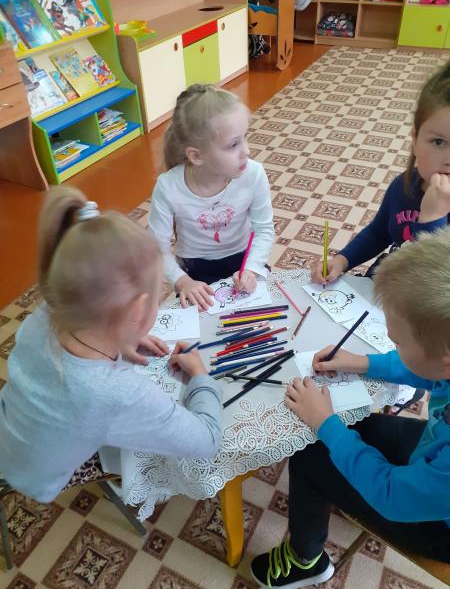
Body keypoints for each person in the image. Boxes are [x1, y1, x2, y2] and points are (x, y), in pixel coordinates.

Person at [251, 227, 450, 588]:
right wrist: (362, 362)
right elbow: (430, 369)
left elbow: (392, 496)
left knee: (312, 450)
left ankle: (305, 560)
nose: (390, 341)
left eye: (398, 341)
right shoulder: (443, 360)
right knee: (351, 432)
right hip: (432, 456)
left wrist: (326, 424)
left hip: (437, 527)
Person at [0, 187, 223, 503]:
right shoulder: (116, 392)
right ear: (138, 311)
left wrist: (120, 333)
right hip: (36, 476)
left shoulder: (50, 310)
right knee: (147, 448)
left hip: (10, 427)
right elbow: (207, 440)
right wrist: (199, 374)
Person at [311, 61, 450, 285]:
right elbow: (379, 231)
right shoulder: (403, 186)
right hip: (388, 282)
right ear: (415, 140)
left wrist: (432, 219)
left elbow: (432, 285)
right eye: (438, 142)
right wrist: (343, 260)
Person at [148, 84, 274, 311]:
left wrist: (252, 268)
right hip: (194, 270)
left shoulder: (254, 173)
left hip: (245, 260)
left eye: (245, 137)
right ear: (196, 156)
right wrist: (182, 281)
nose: (246, 151)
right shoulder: (168, 186)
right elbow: (157, 248)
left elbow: (264, 229)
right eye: (233, 144)